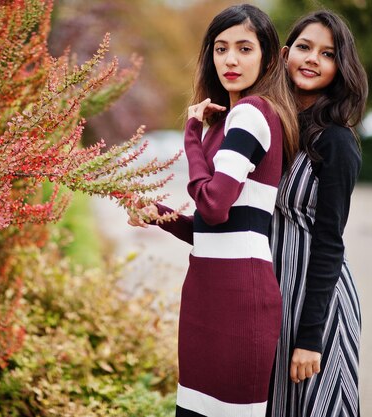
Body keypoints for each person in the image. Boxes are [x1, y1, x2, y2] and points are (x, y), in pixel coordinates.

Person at [127, 4, 298, 416]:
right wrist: (158, 213)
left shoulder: (252, 114)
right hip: (207, 291)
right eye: (221, 49)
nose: (231, 60)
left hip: (239, 296)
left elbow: (214, 205)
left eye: (244, 48)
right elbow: (211, 225)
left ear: (269, 57)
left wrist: (190, 134)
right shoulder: (227, 122)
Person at [266, 10, 368, 417]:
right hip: (274, 292)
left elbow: (330, 243)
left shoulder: (338, 143)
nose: (312, 59)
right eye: (305, 47)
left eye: (327, 54)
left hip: (315, 303)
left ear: (339, 68)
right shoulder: (270, 126)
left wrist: (311, 338)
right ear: (286, 54)